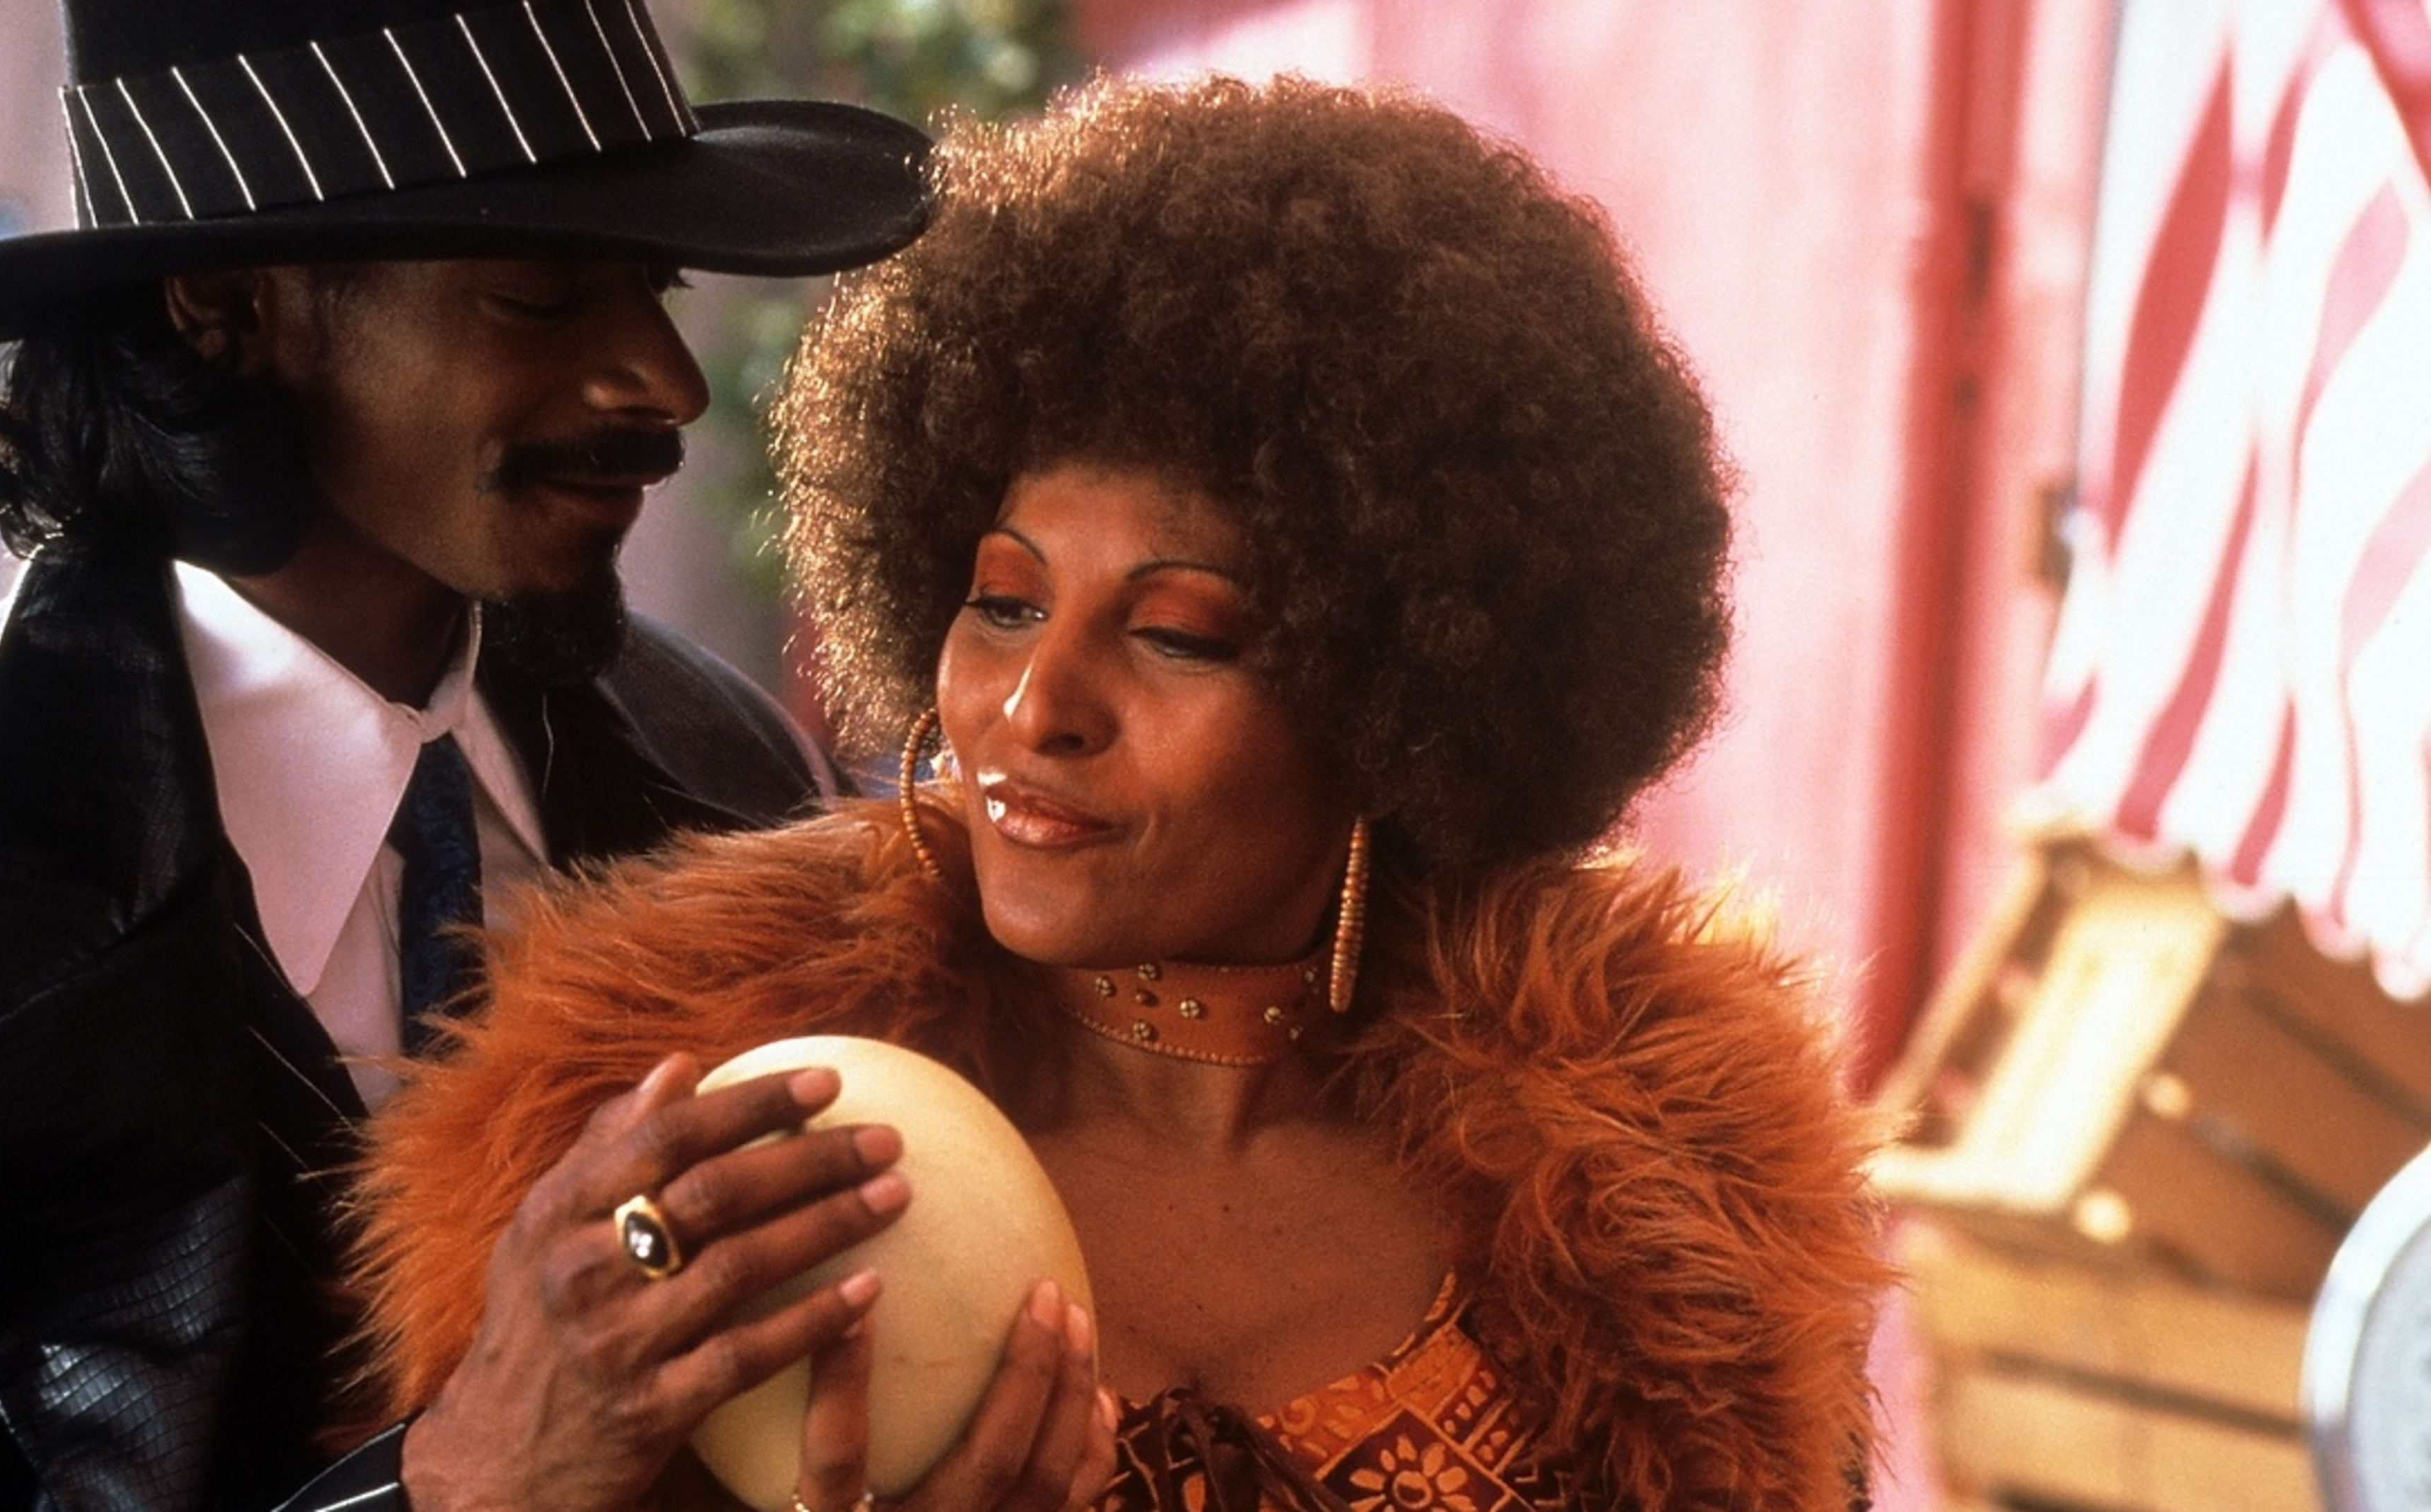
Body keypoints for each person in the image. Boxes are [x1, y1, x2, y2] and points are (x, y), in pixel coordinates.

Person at [348, 74, 1890, 1512]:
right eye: (1004, 601)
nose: (1035, 707)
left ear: (1399, 692)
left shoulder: (1665, 1226)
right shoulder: (735, 1140)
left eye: (1173, 634)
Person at [0, 0, 933, 1506]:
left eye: (657, 284)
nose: (666, 382)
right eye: (544, 295)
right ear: (228, 303)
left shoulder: (736, 781)